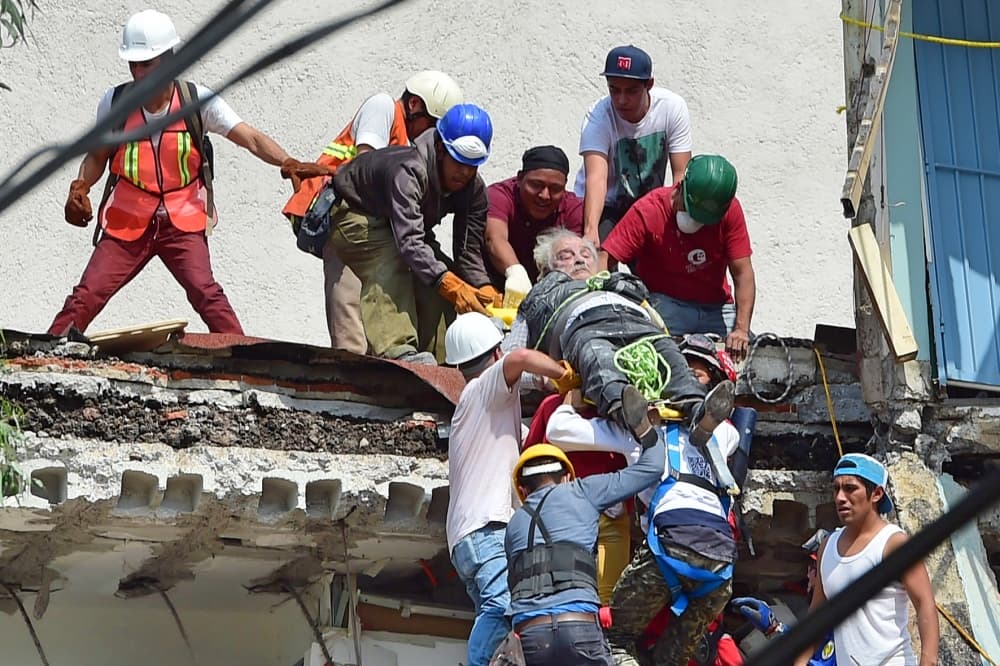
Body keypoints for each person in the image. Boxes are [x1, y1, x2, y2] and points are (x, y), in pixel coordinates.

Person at [51, 10, 309, 336]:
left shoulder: (195, 101)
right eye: (134, 64)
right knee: (87, 294)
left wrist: (287, 163)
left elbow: (250, 138)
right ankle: (44, 352)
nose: (138, 72)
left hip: (183, 218)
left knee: (207, 293)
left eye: (147, 64)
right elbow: (97, 155)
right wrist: (81, 186)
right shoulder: (114, 103)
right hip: (128, 218)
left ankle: (243, 361)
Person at [543, 345, 739, 666]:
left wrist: (571, 397)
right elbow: (722, 427)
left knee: (615, 639)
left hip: (669, 547)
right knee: (672, 657)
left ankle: (648, 438)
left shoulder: (627, 433)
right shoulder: (724, 435)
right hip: (720, 566)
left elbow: (558, 431)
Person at [281, 71, 463, 353]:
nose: (433, 135)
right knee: (350, 312)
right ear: (414, 105)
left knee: (377, 304)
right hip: (344, 213)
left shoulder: (413, 143)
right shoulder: (383, 107)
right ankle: (349, 381)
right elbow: (367, 164)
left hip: (370, 221)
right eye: (433, 125)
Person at [503, 228, 713, 449]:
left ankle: (699, 410)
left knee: (669, 353)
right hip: (586, 328)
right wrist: (545, 377)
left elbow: (660, 326)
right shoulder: (537, 298)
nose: (578, 261)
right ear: (547, 270)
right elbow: (506, 363)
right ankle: (629, 413)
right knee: (598, 356)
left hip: (640, 325)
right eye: (565, 256)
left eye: (586, 255)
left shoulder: (624, 286)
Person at [443, 312, 569, 666]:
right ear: (495, 353)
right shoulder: (484, 389)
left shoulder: (483, 412)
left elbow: (533, 441)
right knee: (501, 604)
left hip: (468, 537)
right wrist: (564, 375)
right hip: (486, 528)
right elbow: (521, 358)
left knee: (499, 616)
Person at [328, 103, 498, 364]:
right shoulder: (409, 171)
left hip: (400, 222)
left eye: (473, 165)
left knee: (440, 280)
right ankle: (397, 350)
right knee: (389, 260)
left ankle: (442, 360)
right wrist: (451, 284)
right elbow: (409, 244)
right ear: (441, 148)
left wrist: (484, 289)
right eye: (459, 160)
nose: (465, 172)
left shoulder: (473, 191)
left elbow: (468, 250)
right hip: (353, 212)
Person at [504, 389, 665, 665]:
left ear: (521, 488)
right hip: (578, 627)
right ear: (567, 476)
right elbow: (652, 467)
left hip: (530, 637)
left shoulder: (513, 526)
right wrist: (649, 429)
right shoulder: (582, 490)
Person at [600, 154, 756, 360]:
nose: (696, 221)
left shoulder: (730, 211)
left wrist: (741, 330)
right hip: (667, 304)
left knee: (750, 356)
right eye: (692, 212)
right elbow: (605, 260)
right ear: (681, 186)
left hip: (716, 308)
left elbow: (743, 274)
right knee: (657, 354)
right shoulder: (649, 211)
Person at [794, 454, 939, 666]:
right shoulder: (827, 546)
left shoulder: (893, 544)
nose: (840, 497)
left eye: (850, 488)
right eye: (836, 489)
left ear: (877, 493)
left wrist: (928, 662)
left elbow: (925, 604)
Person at [574, 45, 693, 244]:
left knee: (658, 265)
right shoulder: (598, 116)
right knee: (600, 260)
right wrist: (590, 230)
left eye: (631, 91)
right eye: (614, 89)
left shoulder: (672, 107)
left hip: (647, 204)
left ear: (649, 84)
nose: (621, 100)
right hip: (605, 205)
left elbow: (681, 173)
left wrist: (677, 221)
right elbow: (596, 177)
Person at [484, 145, 584, 306]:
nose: (545, 195)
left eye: (555, 189)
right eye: (536, 185)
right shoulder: (499, 196)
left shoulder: (574, 209)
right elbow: (495, 238)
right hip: (496, 291)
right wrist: (515, 273)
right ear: (519, 178)